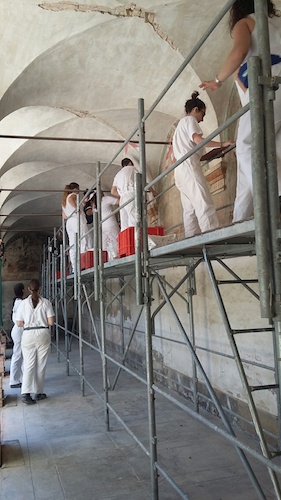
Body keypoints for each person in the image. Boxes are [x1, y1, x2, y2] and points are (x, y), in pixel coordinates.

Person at [199, 0, 281, 222]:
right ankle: (240, 220)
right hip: (273, 86)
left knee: (246, 148)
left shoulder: (245, 23)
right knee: (272, 149)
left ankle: (273, 200)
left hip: (266, 87)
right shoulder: (278, 22)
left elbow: (238, 52)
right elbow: (240, 73)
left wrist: (217, 80)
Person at [172, 91, 233, 238]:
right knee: (203, 201)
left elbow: (198, 155)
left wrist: (219, 149)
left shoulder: (179, 128)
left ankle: (191, 239)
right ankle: (212, 236)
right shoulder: (190, 120)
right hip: (188, 167)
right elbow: (199, 140)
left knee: (190, 209)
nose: (202, 119)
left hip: (180, 170)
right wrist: (223, 143)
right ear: (195, 110)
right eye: (203, 114)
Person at [16, 279, 55, 405]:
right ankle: (38, 392)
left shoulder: (23, 304)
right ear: (40, 289)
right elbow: (51, 322)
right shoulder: (46, 303)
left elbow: (19, 323)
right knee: (41, 364)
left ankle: (25, 393)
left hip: (28, 334)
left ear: (29, 289)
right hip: (43, 333)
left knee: (29, 364)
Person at [62, 182, 88, 271]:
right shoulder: (73, 195)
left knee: (73, 245)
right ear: (75, 189)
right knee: (83, 240)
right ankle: (83, 264)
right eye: (78, 189)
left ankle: (75, 267)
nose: (79, 191)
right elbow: (72, 200)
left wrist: (82, 204)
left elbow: (64, 216)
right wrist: (77, 209)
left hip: (69, 222)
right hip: (77, 220)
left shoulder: (64, 200)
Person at [90, 190, 120, 260]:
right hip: (111, 223)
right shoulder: (105, 199)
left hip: (102, 226)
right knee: (116, 240)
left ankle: (108, 260)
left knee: (105, 245)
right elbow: (119, 201)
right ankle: (117, 257)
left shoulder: (95, 205)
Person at [111, 158, 137, 231]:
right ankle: (136, 240)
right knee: (133, 218)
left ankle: (126, 241)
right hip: (131, 194)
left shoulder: (117, 175)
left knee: (124, 222)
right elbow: (142, 181)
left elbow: (113, 191)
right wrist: (153, 192)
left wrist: (122, 195)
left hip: (122, 199)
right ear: (130, 163)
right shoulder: (132, 168)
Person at [9, 283, 25, 389]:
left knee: (20, 355)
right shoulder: (21, 303)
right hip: (19, 330)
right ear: (23, 291)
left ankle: (20, 378)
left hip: (17, 330)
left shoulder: (17, 301)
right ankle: (14, 380)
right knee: (18, 355)